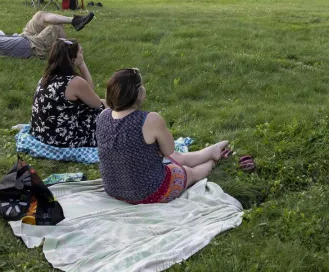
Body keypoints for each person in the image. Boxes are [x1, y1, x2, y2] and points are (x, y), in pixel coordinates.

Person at [96, 68, 231, 204]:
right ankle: (212, 162)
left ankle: (211, 151)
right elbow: (168, 151)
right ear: (138, 92)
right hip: (148, 192)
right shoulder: (150, 119)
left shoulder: (103, 116)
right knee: (188, 172)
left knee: (176, 158)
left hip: (113, 189)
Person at [30, 40, 105, 148]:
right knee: (105, 106)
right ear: (72, 59)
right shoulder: (75, 82)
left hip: (42, 133)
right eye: (81, 52)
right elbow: (97, 104)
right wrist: (82, 66)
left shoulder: (45, 78)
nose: (83, 54)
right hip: (63, 140)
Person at [0, 10, 95, 59]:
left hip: (24, 37)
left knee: (39, 15)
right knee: (55, 27)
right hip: (33, 46)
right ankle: (65, 55)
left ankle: (76, 21)